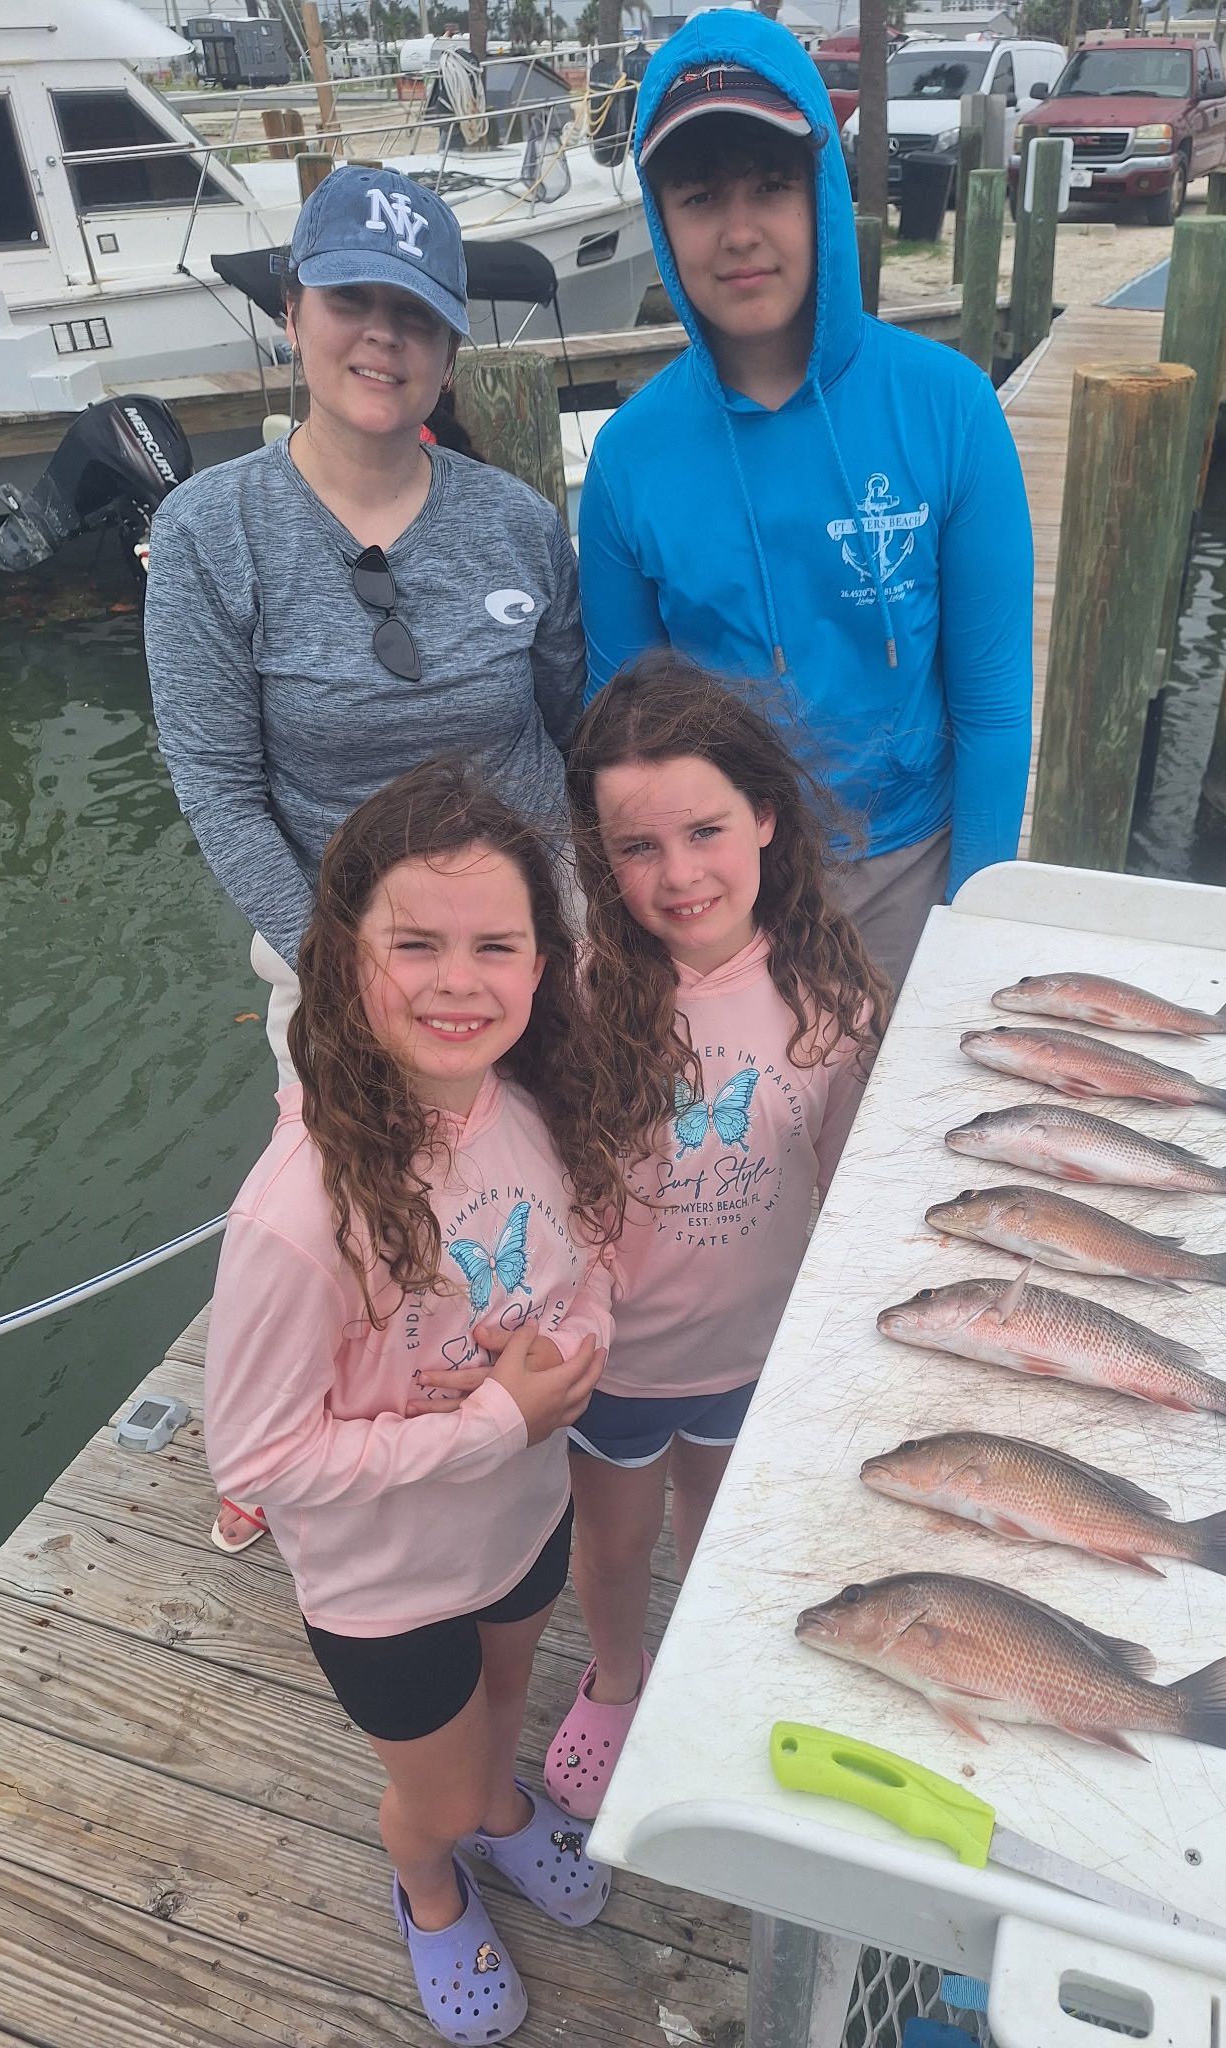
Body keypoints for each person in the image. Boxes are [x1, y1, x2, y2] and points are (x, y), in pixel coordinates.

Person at [145, 165, 584, 1551]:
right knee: (345, 1199)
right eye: (353, 301)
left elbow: (572, 729)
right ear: (295, 310)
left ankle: (506, 1380)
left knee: (521, 1174)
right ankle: (293, 1428)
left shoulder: (519, 521)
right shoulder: (212, 534)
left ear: (452, 345)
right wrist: (348, 972)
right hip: (337, 951)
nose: (382, 339)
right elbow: (216, 782)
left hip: (517, 942)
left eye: (417, 314)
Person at [413, 651, 890, 1816]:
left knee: (719, 1536)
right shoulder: (567, 995)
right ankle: (620, 1672)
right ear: (599, 855)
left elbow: (841, 1183)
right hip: (613, 1362)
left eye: (707, 830)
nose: (679, 874)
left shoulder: (836, 998)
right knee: (614, 1550)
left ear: (767, 817)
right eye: (637, 847)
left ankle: (719, 1667)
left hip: (756, 1351)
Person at [204, 760, 620, 2045]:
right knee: (425, 1790)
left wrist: (578, 1334)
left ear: (543, 964)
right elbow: (260, 1447)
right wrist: (494, 1421)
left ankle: (501, 1805)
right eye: (416, 944)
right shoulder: (295, 1214)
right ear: (343, 959)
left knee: (506, 1700)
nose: (460, 980)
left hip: (521, 1519)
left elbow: (581, 1255)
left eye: (497, 943)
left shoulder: (536, 1107)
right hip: (389, 1581)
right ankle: (433, 1876)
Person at [577, 12, 1034, 995]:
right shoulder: (626, 462)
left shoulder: (949, 406)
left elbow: (993, 709)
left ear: (822, 190)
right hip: (723, 896)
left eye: (771, 187)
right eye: (699, 197)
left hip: (917, 865)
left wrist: (973, 930)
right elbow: (617, 737)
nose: (739, 232)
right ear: (660, 218)